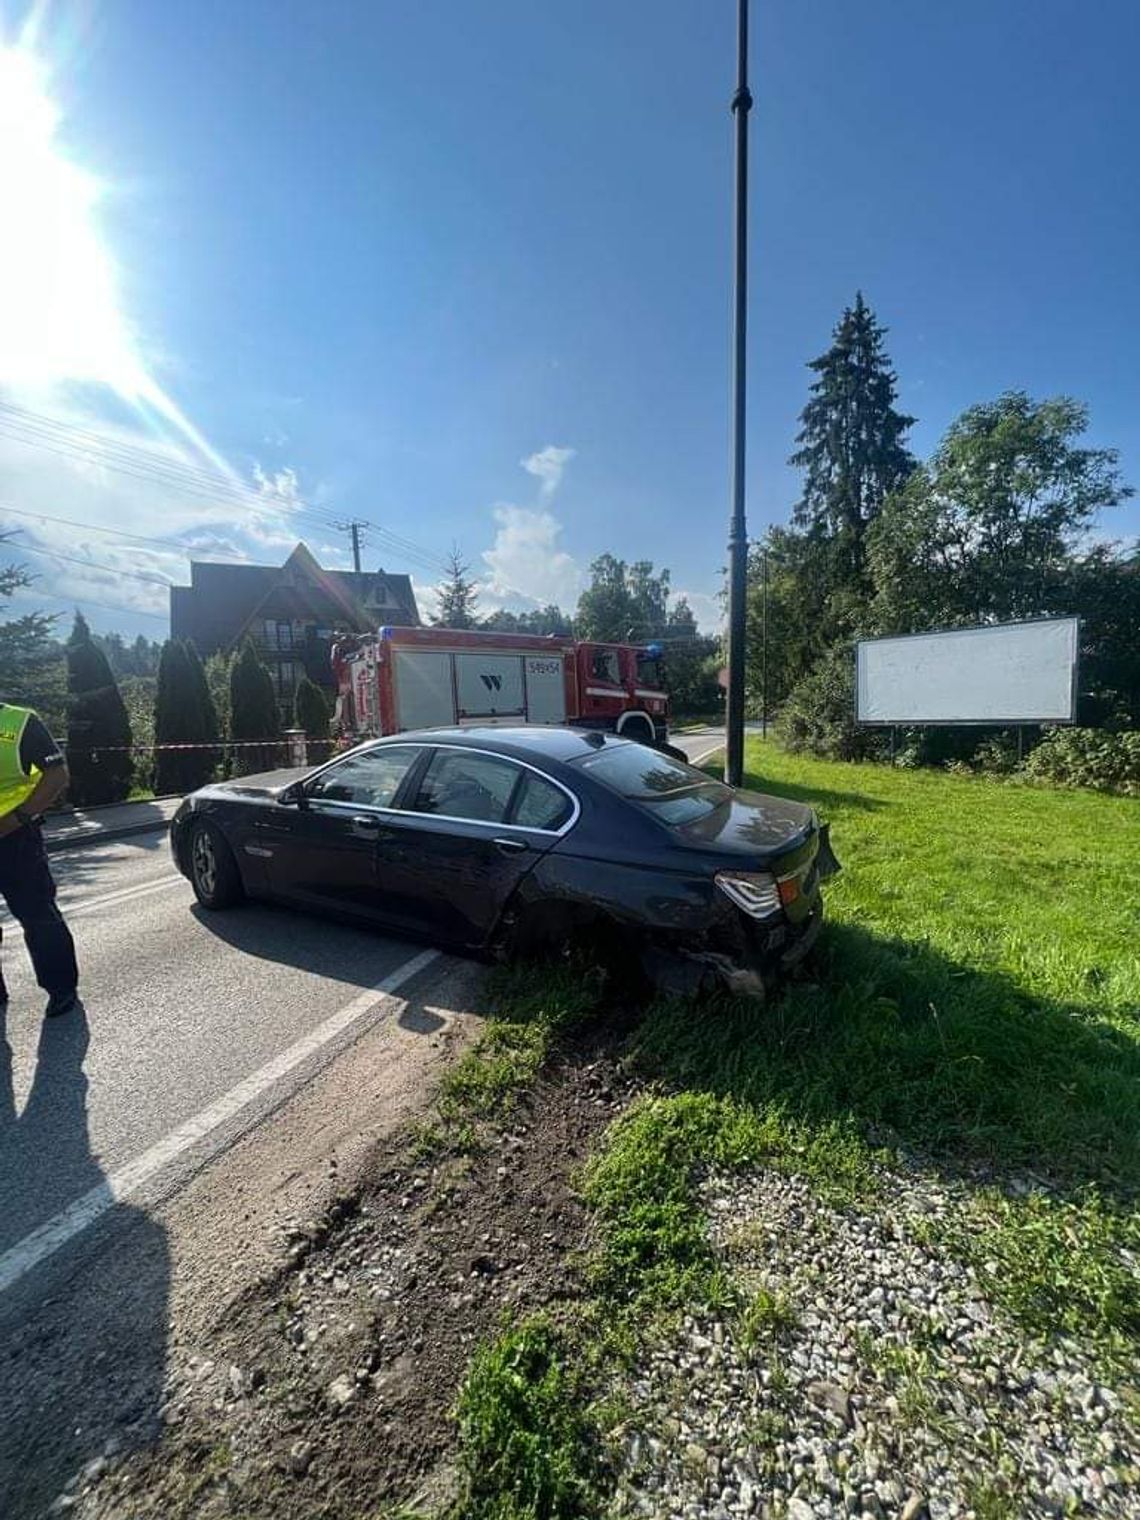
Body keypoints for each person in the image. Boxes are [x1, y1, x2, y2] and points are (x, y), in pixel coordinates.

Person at [0, 702, 79, 1018]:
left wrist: (19, 816)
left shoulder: (19, 722)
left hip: (15, 837)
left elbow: (57, 774)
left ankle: (61, 988)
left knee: (37, 916)